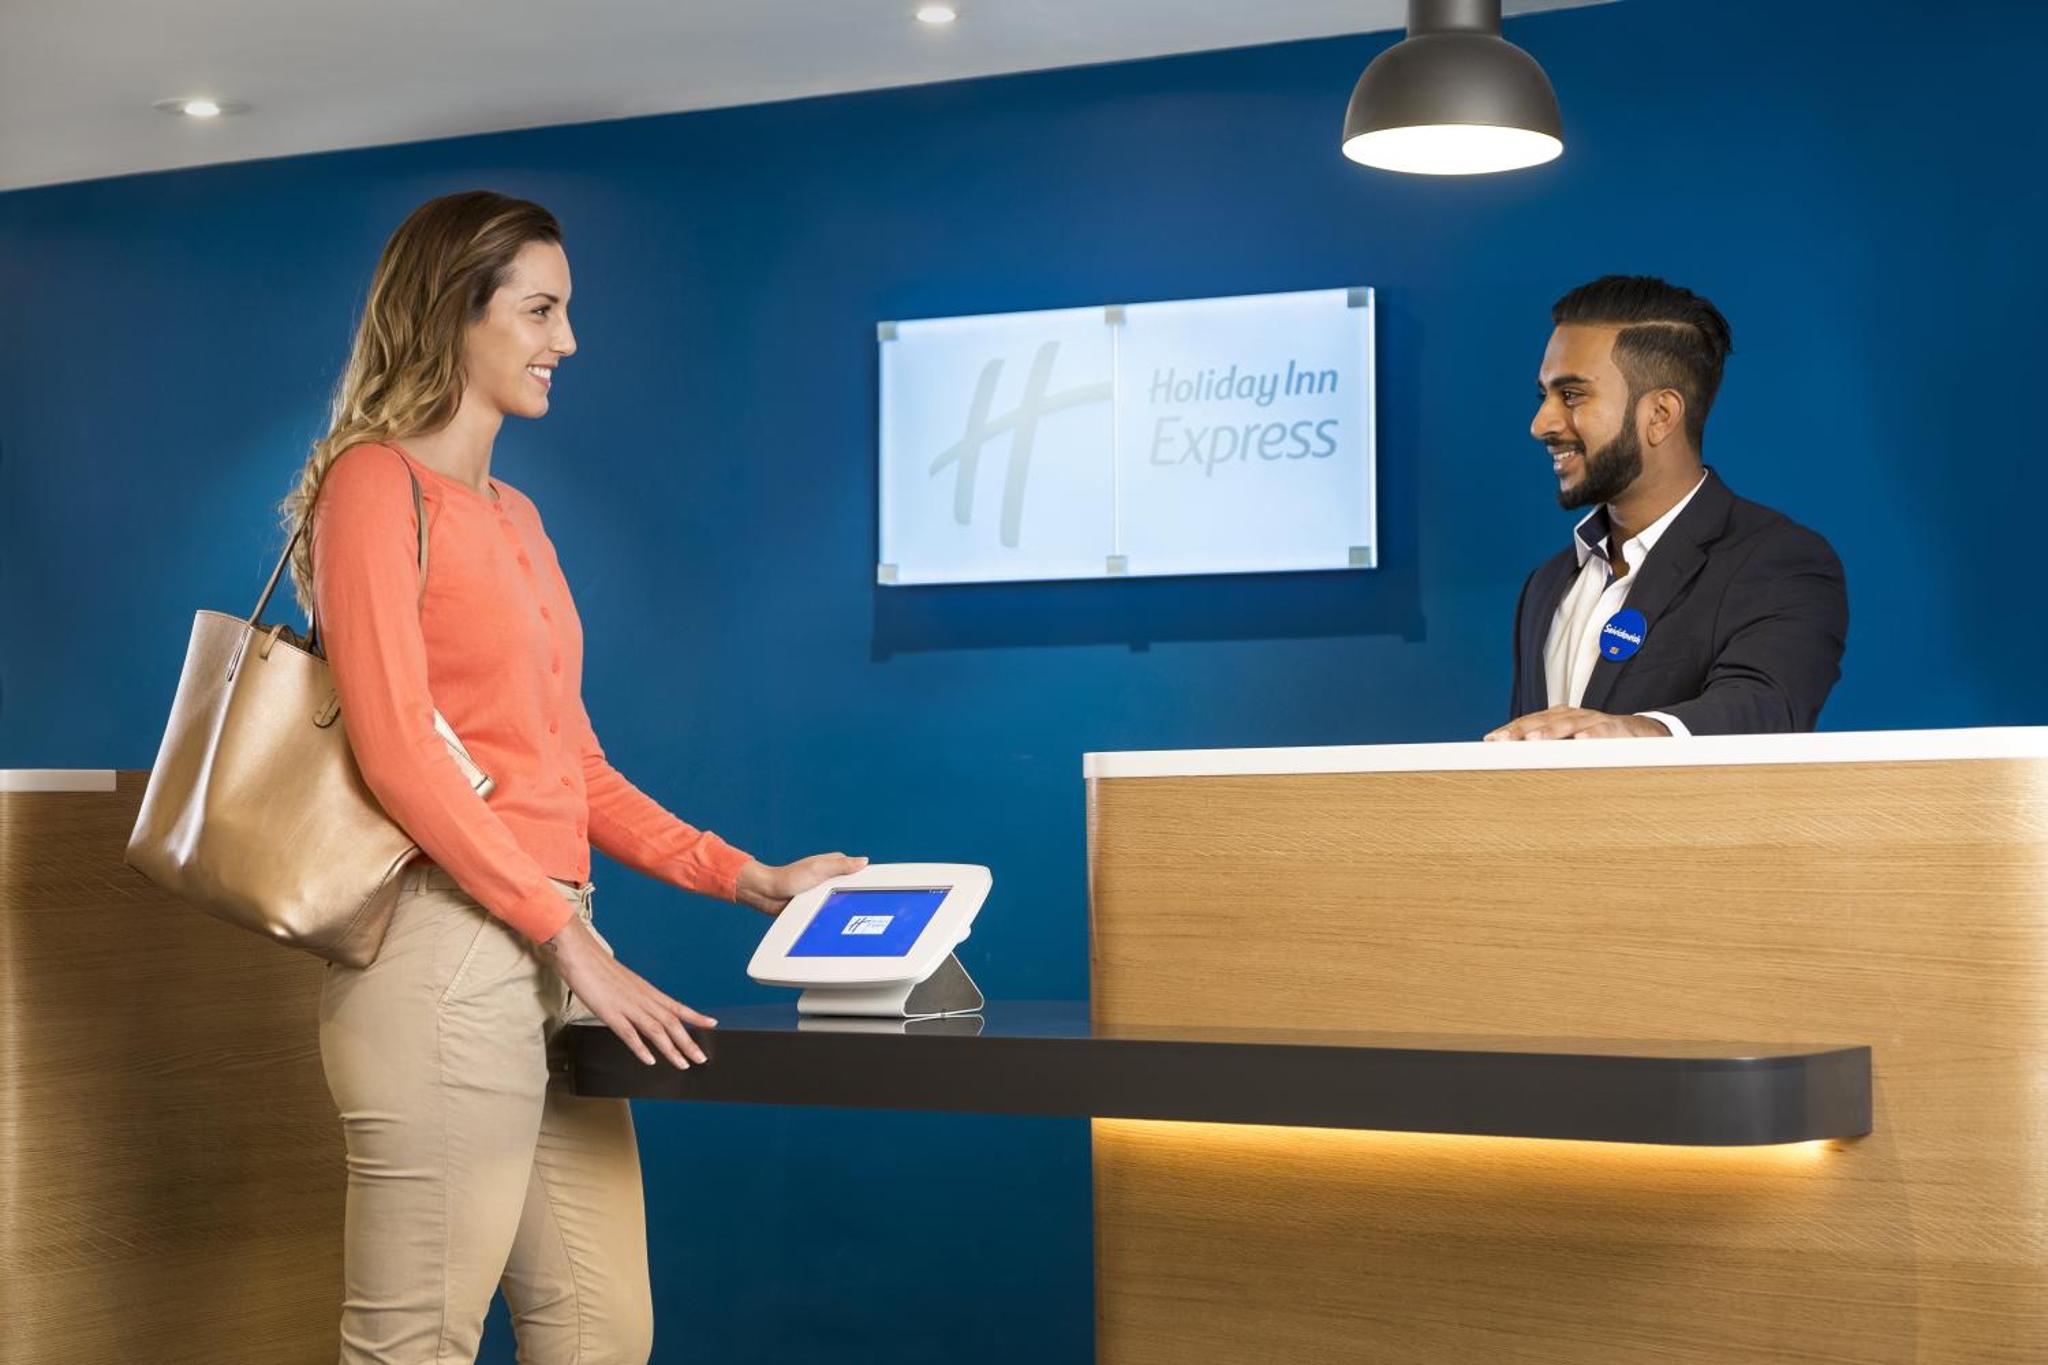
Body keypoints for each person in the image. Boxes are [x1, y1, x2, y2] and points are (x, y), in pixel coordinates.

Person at [280, 190, 861, 1364]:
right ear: (455, 315)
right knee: (413, 1344)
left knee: (599, 1329)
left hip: (544, 952)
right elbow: (394, 748)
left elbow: (570, 767)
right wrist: (570, 940)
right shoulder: (372, 489)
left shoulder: (520, 517)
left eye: (566, 310)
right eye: (540, 310)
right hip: (441, 961)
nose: (567, 341)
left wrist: (749, 879)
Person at [1488, 275, 1848, 741]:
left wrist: (1639, 733)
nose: (1542, 424)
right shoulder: (1546, 585)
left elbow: (1767, 705)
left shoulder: (1779, 562)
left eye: (1572, 395)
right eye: (1545, 396)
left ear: (1660, 415)